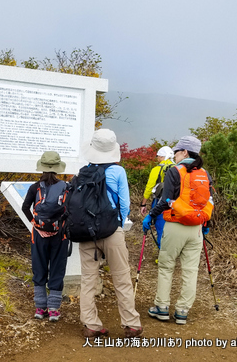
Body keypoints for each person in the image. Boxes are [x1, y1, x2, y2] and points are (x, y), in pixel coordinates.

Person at [78, 129, 143, 339]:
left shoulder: (83, 172)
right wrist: (117, 225)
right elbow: (124, 204)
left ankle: (91, 325)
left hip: (87, 232)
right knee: (122, 278)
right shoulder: (118, 172)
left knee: (88, 280)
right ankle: (131, 324)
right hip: (111, 230)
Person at [143, 136, 213, 325]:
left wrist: (150, 215)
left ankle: (162, 307)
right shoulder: (205, 174)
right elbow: (208, 202)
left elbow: (166, 201)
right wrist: (205, 225)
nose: (174, 155)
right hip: (197, 229)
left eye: (176, 152)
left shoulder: (175, 171)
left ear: (184, 152)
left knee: (166, 267)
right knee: (190, 270)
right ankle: (182, 311)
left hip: (175, 225)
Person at [22, 151, 69, 322]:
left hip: (38, 234)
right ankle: (54, 309)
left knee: (39, 267)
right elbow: (70, 211)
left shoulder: (34, 187)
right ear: (58, 168)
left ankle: (40, 308)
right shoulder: (66, 187)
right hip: (60, 235)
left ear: (41, 167)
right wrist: (61, 227)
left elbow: (25, 208)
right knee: (57, 268)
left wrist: (36, 225)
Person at [140, 146, 175, 248]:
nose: (157, 158)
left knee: (161, 227)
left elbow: (149, 187)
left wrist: (143, 204)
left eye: (158, 156)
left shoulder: (157, 169)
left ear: (162, 157)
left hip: (160, 202)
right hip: (177, 203)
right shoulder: (178, 168)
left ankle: (163, 254)